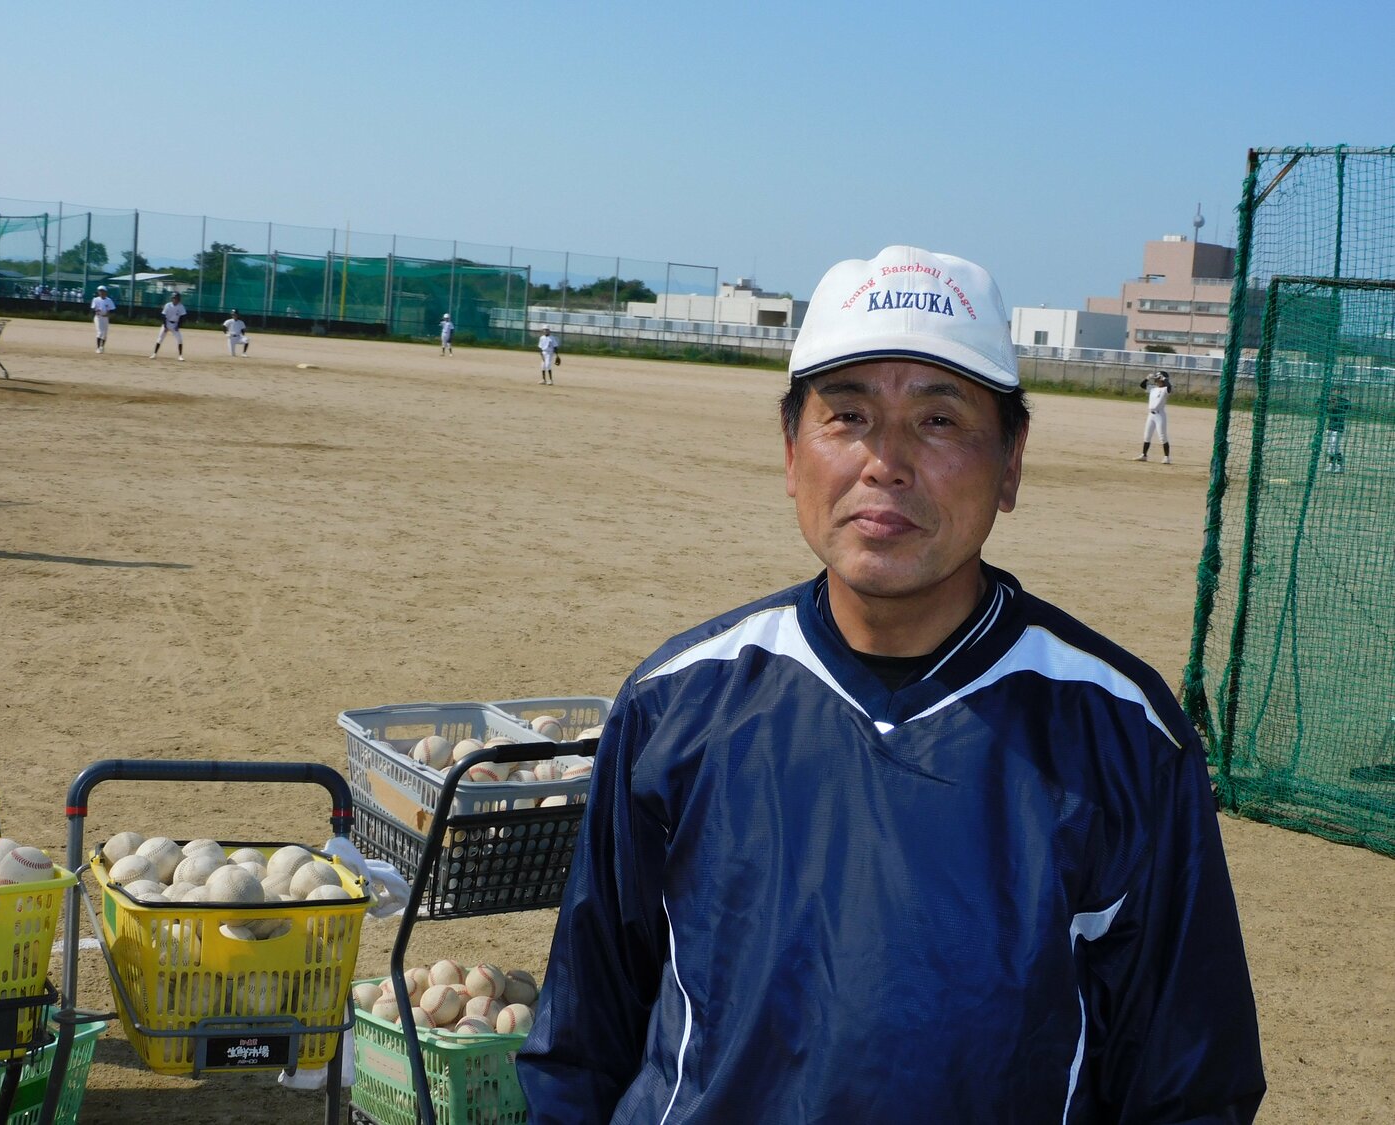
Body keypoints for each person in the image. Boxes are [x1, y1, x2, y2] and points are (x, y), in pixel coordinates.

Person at [517, 245, 1265, 1123]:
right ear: (793, 451)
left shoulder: (1124, 736)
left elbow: (1190, 1088)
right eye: (848, 416)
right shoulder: (674, 705)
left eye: (940, 420)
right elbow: (581, 1046)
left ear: (1012, 459)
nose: (887, 462)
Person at [1134, 370, 1172, 463]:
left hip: (1160, 415)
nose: (1157, 381)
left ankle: (1166, 457)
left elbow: (1169, 387)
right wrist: (1147, 378)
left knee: (1162, 436)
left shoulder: (1165, 389)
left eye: (1158, 379)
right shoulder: (1153, 388)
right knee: (1147, 435)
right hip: (1151, 415)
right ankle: (1144, 455)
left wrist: (1165, 379)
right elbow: (1142, 385)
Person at [151, 292, 189, 360]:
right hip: (167, 323)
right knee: (160, 339)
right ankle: (154, 354)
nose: (175, 299)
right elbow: (163, 315)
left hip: (175, 324)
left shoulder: (181, 306)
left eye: (177, 298)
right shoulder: (168, 305)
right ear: (172, 298)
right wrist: (165, 326)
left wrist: (178, 326)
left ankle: (180, 356)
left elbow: (183, 317)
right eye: (174, 298)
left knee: (179, 339)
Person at [1325, 384, 1351, 474]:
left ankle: (1340, 465)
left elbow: (1346, 408)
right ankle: (1331, 465)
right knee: (1331, 448)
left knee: (1334, 448)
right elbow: (1328, 409)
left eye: (1339, 390)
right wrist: (1331, 402)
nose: (1337, 392)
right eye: (1335, 390)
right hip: (1330, 426)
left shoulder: (1345, 401)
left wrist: (1336, 402)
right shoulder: (1330, 400)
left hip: (1338, 427)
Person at [90, 285, 116, 353]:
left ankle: (102, 347)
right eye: (100, 291)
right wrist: (96, 311)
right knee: (100, 332)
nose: (101, 292)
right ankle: (98, 348)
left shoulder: (109, 300)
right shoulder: (95, 299)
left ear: (105, 292)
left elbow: (112, 309)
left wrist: (108, 314)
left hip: (105, 318)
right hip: (98, 317)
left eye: (102, 291)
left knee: (105, 334)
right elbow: (93, 308)